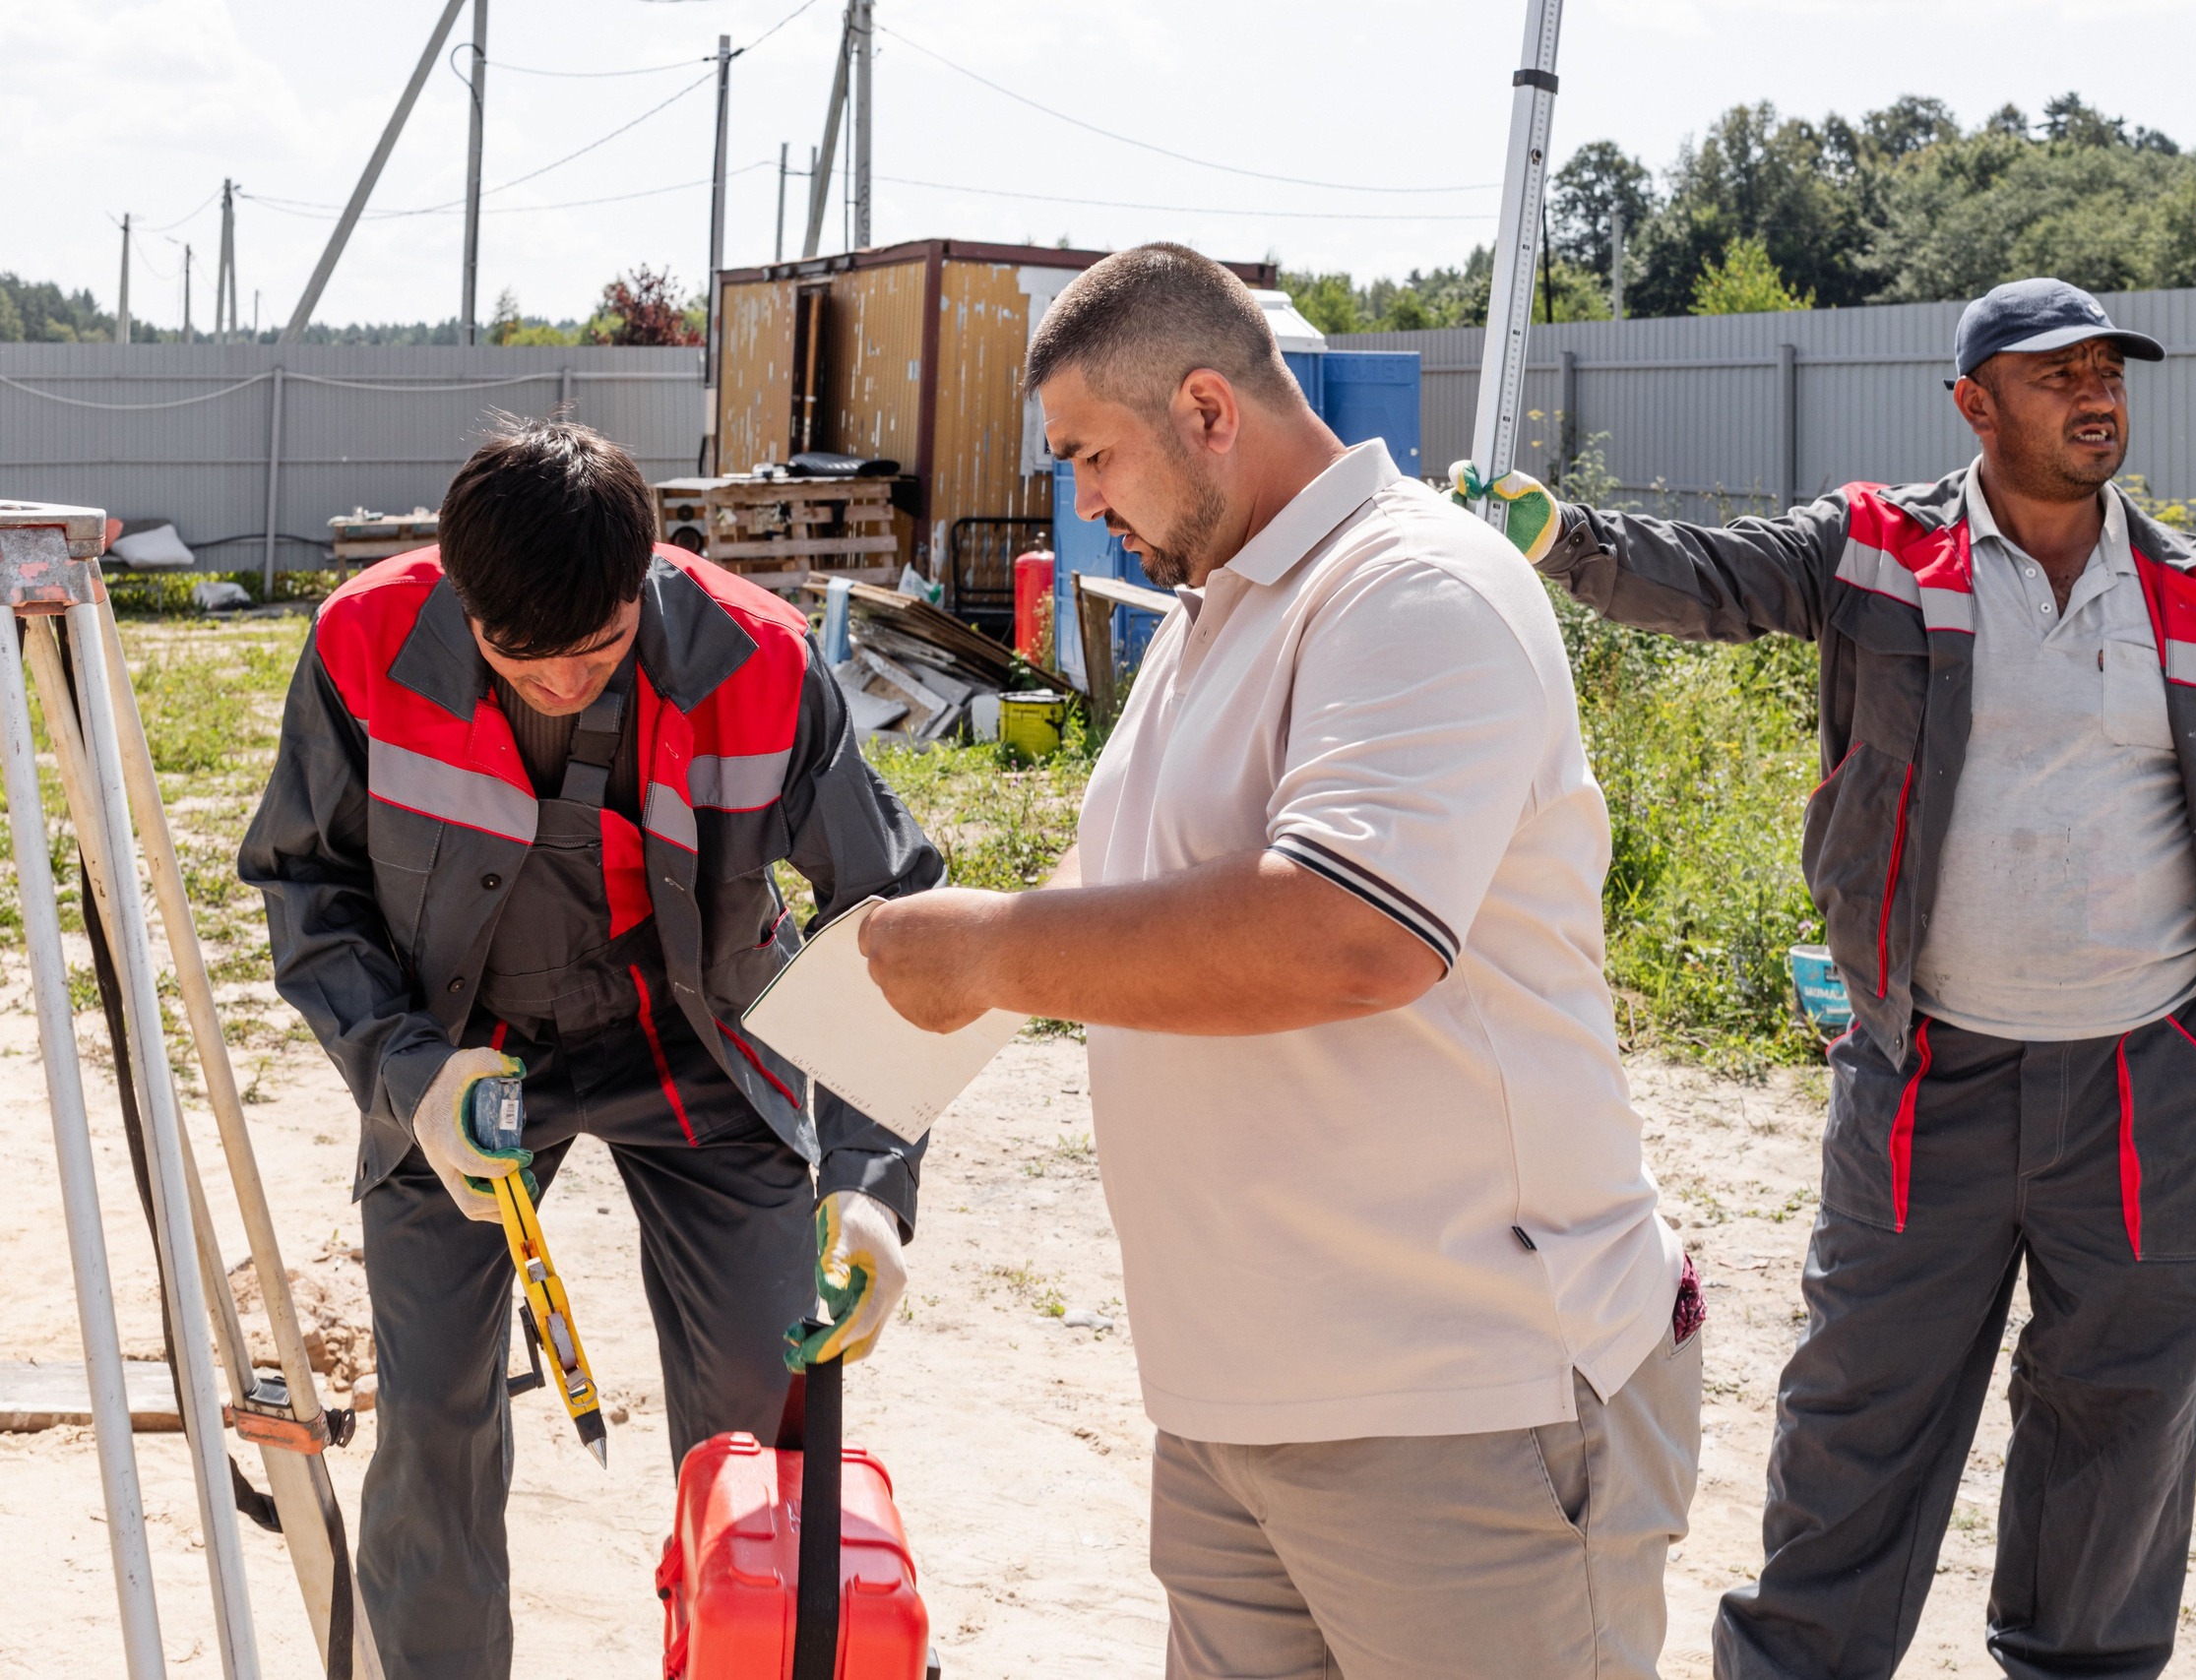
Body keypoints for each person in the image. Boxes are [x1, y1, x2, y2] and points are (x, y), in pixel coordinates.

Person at [1450, 276, 2196, 1680]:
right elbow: (1714, 575)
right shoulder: (1882, 553)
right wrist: (1560, 536)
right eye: (2054, 371)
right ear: (1974, 401)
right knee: (1858, 1410)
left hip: (2147, 1090)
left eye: (2108, 366)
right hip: (1927, 1067)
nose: (2094, 390)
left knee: (2120, 1427)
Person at [853, 243, 1702, 1680]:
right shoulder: (1213, 621)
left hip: (1459, 1404)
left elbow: (1348, 932)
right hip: (1241, 1403)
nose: (1091, 498)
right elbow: (1127, 913)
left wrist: (992, 946)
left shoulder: (1414, 589)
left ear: (1205, 408)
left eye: (1094, 456)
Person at [238, 417, 941, 1678]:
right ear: (461, 595)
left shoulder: (764, 665)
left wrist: (873, 1187)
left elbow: (893, 924)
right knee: (436, 1412)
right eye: (521, 657)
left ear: (648, 572)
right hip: (460, 1050)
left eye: (599, 648)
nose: (563, 682)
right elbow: (305, 886)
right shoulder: (363, 644)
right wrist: (409, 1074)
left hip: (701, 1041)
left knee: (763, 1412)